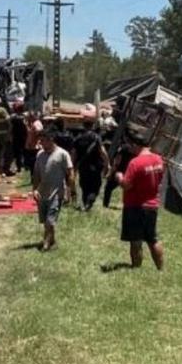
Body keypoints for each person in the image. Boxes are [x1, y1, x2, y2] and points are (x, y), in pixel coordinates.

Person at [114, 130, 165, 270]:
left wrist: (119, 177)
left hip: (135, 205)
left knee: (136, 240)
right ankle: (160, 269)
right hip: (152, 205)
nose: (130, 149)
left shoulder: (135, 163)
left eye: (131, 146)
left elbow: (126, 185)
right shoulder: (159, 160)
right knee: (152, 238)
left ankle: (136, 268)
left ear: (136, 145)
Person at [32, 126, 74, 251]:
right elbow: (36, 174)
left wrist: (70, 191)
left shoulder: (62, 154)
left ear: (51, 140)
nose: (41, 144)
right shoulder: (40, 154)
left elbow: (70, 173)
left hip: (57, 193)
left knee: (50, 221)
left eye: (43, 141)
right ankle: (52, 240)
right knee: (46, 221)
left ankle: (45, 244)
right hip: (42, 192)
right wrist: (34, 190)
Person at [72, 113, 109, 212]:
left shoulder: (78, 138)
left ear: (83, 126)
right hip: (95, 166)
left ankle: (85, 203)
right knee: (95, 186)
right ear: (92, 126)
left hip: (82, 166)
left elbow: (74, 154)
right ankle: (90, 201)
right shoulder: (96, 137)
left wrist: (73, 166)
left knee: (84, 185)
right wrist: (107, 164)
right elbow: (102, 152)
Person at [9, 101, 28, 174]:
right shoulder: (25, 116)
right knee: (24, 151)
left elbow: (10, 128)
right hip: (24, 137)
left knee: (17, 153)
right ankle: (24, 166)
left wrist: (10, 136)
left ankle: (19, 167)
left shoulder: (13, 117)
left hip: (16, 137)